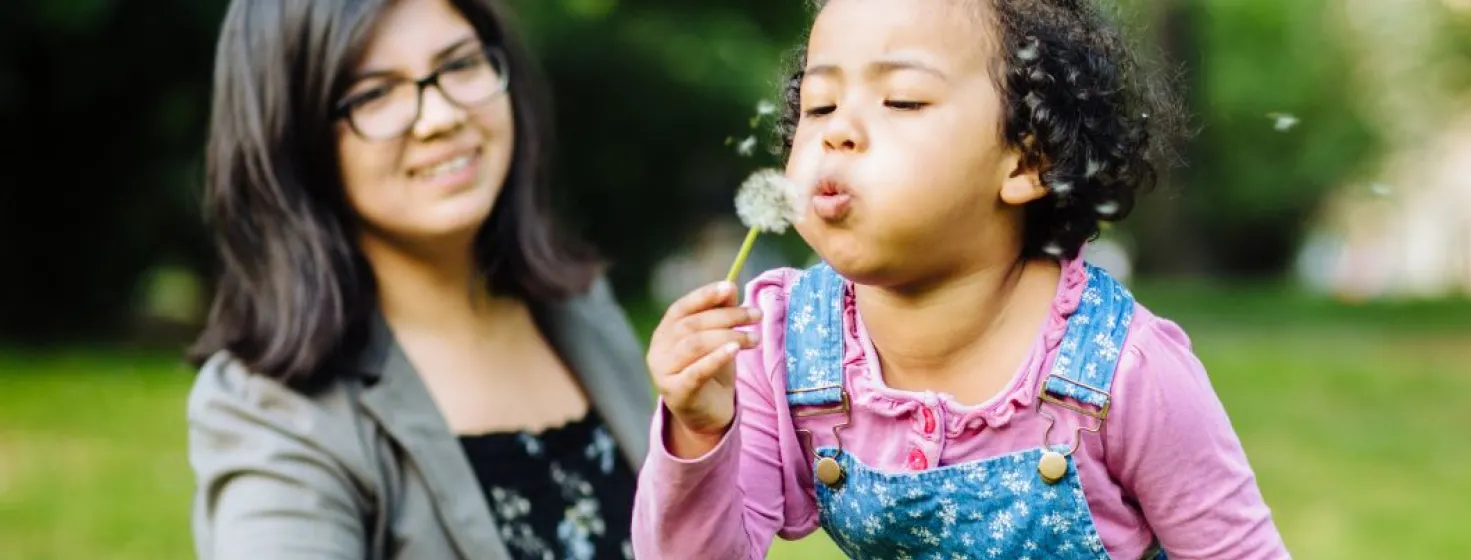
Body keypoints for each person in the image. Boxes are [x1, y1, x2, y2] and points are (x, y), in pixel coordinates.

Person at [631, 0, 1292, 558]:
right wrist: (700, 428)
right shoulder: (780, 345)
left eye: (902, 99)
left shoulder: (1126, 371)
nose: (839, 134)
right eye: (820, 104)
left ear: (1028, 160)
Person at [184, 0, 655, 558]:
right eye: (374, 94)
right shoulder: (273, 411)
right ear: (293, 135)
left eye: (459, 65)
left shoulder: (582, 310)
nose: (441, 117)